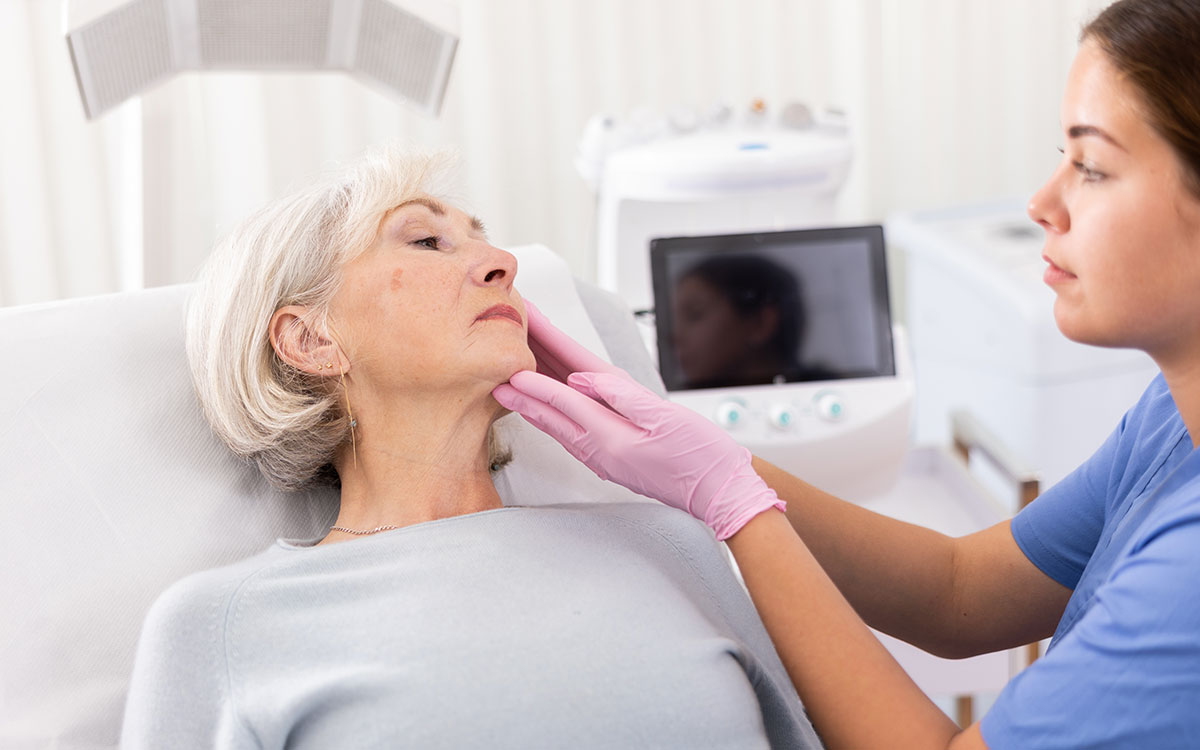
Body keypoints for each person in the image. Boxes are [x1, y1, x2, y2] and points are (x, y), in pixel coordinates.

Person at [493, 0, 1200, 747]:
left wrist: (736, 505)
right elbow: (959, 593)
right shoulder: (1171, 419)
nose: (1041, 203)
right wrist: (717, 463)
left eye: (1090, 166)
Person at [119, 148, 823, 748]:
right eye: (426, 241)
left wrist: (736, 497)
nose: (503, 263)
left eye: (484, 240)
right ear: (312, 340)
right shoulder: (219, 626)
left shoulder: (672, 546)